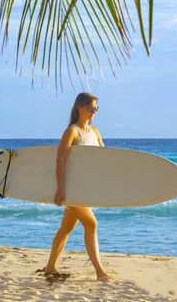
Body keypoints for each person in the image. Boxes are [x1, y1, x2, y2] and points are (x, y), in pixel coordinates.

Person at [43, 92, 110, 282]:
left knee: (66, 228)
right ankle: (100, 272)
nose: (93, 112)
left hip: (85, 188)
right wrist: (60, 188)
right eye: (90, 108)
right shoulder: (72, 131)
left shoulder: (95, 132)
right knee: (91, 224)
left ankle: (51, 267)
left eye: (96, 108)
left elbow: (104, 158)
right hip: (72, 188)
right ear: (80, 108)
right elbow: (60, 160)